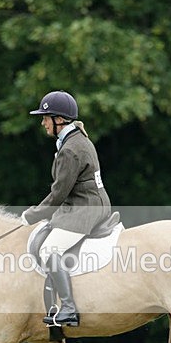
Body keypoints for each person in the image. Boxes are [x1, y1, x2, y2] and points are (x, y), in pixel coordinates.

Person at [21, 90, 112, 327]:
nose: (42, 122)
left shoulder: (71, 149)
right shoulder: (76, 140)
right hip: (87, 204)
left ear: (59, 119)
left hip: (86, 209)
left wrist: (29, 216)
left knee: (50, 249)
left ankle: (69, 308)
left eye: (45, 117)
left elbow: (58, 195)